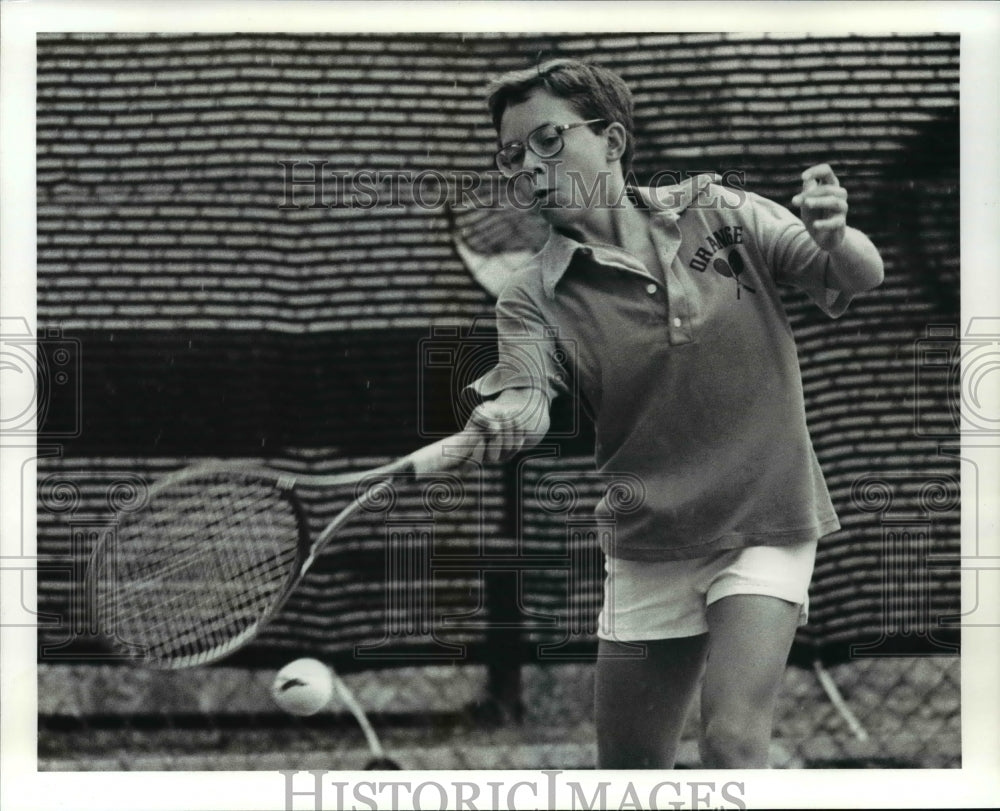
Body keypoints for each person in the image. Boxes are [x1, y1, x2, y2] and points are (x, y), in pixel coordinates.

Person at [459, 58, 884, 769]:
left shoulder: (720, 210)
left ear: (614, 141)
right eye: (511, 155)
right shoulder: (531, 294)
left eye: (548, 141)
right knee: (629, 772)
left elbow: (857, 275)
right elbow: (529, 402)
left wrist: (837, 237)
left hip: (765, 517)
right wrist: (505, 413)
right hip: (649, 540)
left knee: (733, 740)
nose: (527, 166)